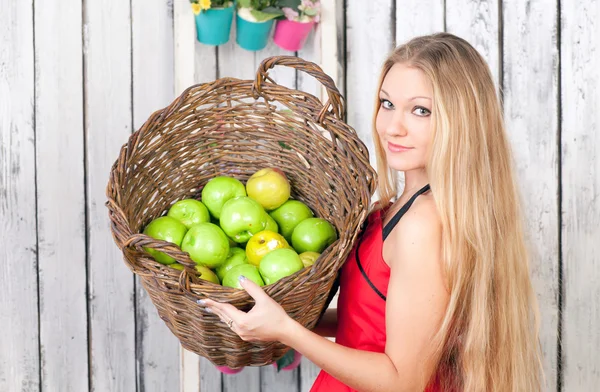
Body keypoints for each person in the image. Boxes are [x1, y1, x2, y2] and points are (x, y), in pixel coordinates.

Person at [197, 32, 544, 391]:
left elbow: (402, 381)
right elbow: (365, 322)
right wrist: (283, 319)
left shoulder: (423, 224)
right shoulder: (400, 206)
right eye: (387, 103)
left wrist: (287, 331)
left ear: (462, 122)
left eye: (420, 110)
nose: (393, 126)